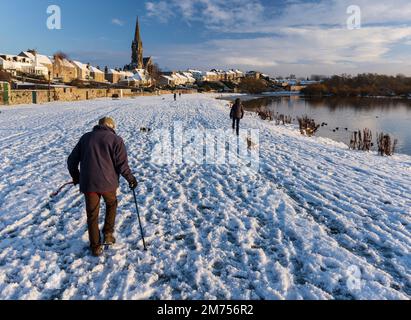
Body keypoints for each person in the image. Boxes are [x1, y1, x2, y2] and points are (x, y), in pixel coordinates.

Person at [67, 117, 137, 257]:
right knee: (111, 204)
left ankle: (95, 247)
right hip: (108, 184)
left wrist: (77, 177)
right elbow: (122, 165)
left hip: (89, 184)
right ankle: (108, 235)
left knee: (92, 214)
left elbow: (71, 160)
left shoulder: (86, 138)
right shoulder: (116, 140)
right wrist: (131, 179)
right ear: (111, 126)